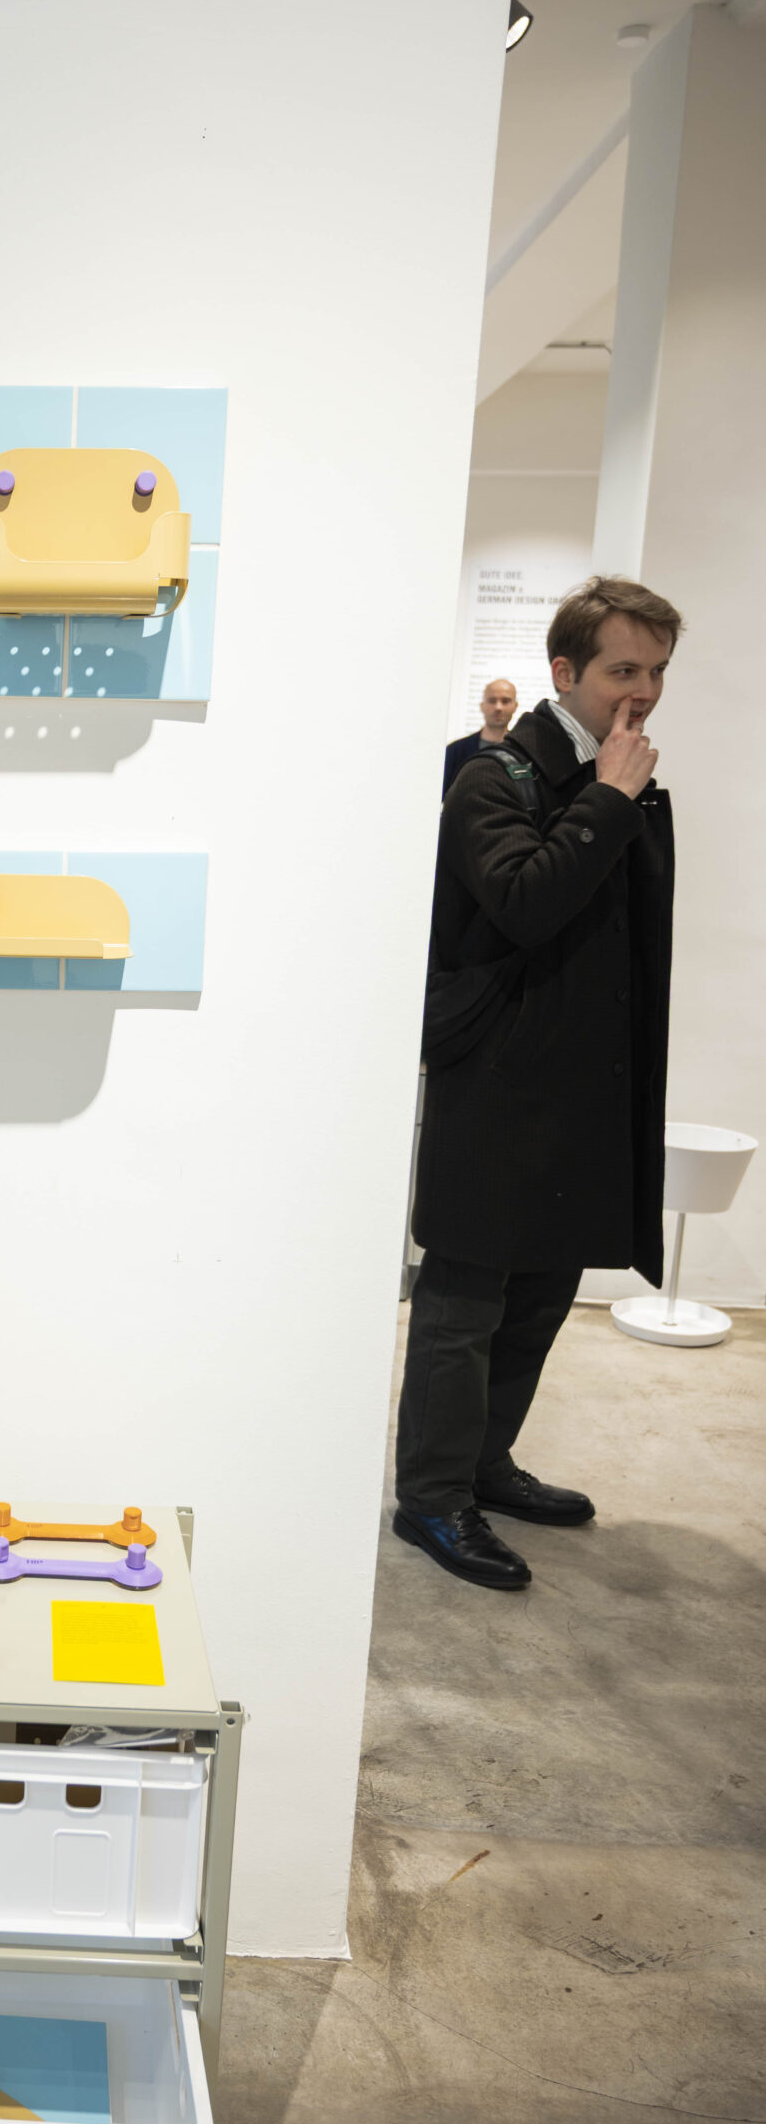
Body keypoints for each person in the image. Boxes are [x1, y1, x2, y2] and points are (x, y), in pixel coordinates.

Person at [395, 576, 680, 1590]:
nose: (640, 692)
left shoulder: (618, 777)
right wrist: (607, 798)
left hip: (581, 1082)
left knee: (542, 1290)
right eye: (620, 670)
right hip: (497, 1082)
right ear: (563, 672)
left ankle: (485, 1465)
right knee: (465, 1298)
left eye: (655, 672)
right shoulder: (497, 778)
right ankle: (431, 1497)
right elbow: (520, 902)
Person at [442, 677, 518, 794]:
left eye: (505, 701)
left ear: (515, 706)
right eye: (492, 701)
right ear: (482, 706)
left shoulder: (521, 753)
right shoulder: (455, 751)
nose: (498, 707)